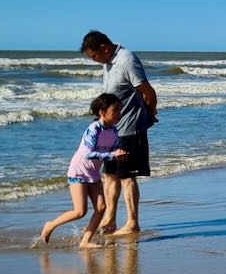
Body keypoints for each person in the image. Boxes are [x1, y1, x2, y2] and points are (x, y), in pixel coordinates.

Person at [80, 31, 158, 236]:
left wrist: (150, 113)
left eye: (93, 56)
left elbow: (147, 91)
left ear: (104, 48)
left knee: (127, 176)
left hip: (130, 129)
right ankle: (109, 220)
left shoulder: (126, 59)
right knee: (110, 176)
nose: (93, 60)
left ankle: (132, 222)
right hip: (113, 130)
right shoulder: (108, 62)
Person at [37, 93, 120, 248]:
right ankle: (50, 225)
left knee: (101, 207)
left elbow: (115, 149)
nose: (118, 114)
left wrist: (121, 154)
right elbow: (88, 154)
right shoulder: (94, 129)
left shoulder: (114, 131)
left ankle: (85, 241)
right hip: (79, 172)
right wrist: (112, 155)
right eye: (115, 110)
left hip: (93, 173)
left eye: (119, 110)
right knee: (80, 211)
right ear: (102, 112)